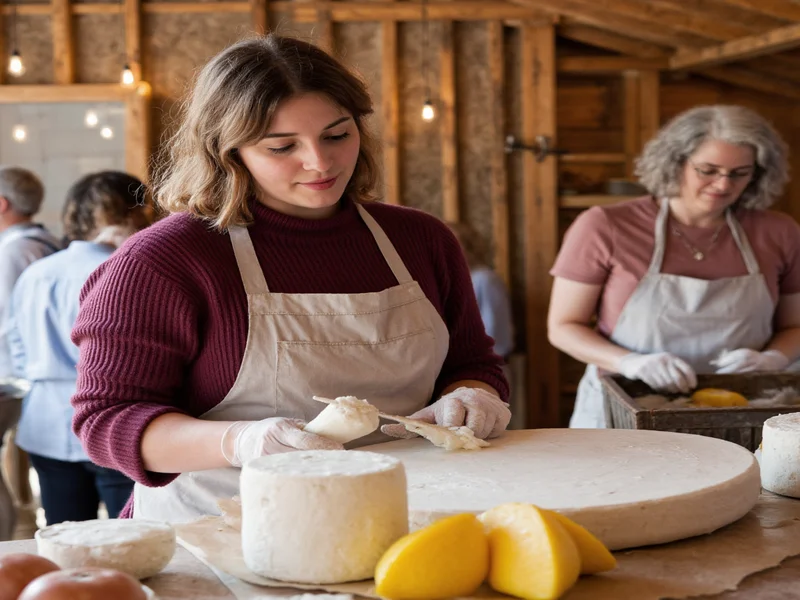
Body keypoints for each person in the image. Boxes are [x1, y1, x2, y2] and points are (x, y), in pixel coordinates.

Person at [70, 34, 511, 523]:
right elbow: (106, 421)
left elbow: (471, 362)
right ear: (227, 151)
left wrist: (474, 396)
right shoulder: (165, 260)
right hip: (221, 529)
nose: (320, 163)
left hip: (403, 516)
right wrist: (238, 441)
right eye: (282, 146)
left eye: (337, 135)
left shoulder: (420, 239)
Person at [548, 105, 800, 429]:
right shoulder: (605, 226)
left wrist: (772, 359)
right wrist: (630, 362)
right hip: (626, 408)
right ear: (676, 161)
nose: (723, 185)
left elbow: (794, 327)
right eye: (708, 170)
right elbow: (564, 327)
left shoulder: (779, 232)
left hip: (739, 413)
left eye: (739, 173)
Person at [6, 171, 151, 524]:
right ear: (130, 213)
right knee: (128, 536)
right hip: (110, 419)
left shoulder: (37, 271)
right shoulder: (123, 270)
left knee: (64, 538)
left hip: (45, 420)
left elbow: (15, 345)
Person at [0, 166, 60, 540]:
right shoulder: (47, 242)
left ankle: (12, 546)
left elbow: (7, 323)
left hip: (12, 377)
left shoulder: (13, 251)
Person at [447, 222, 514, 361]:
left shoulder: (484, 279)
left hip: (481, 369)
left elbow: (494, 335)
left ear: (470, 249)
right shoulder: (446, 284)